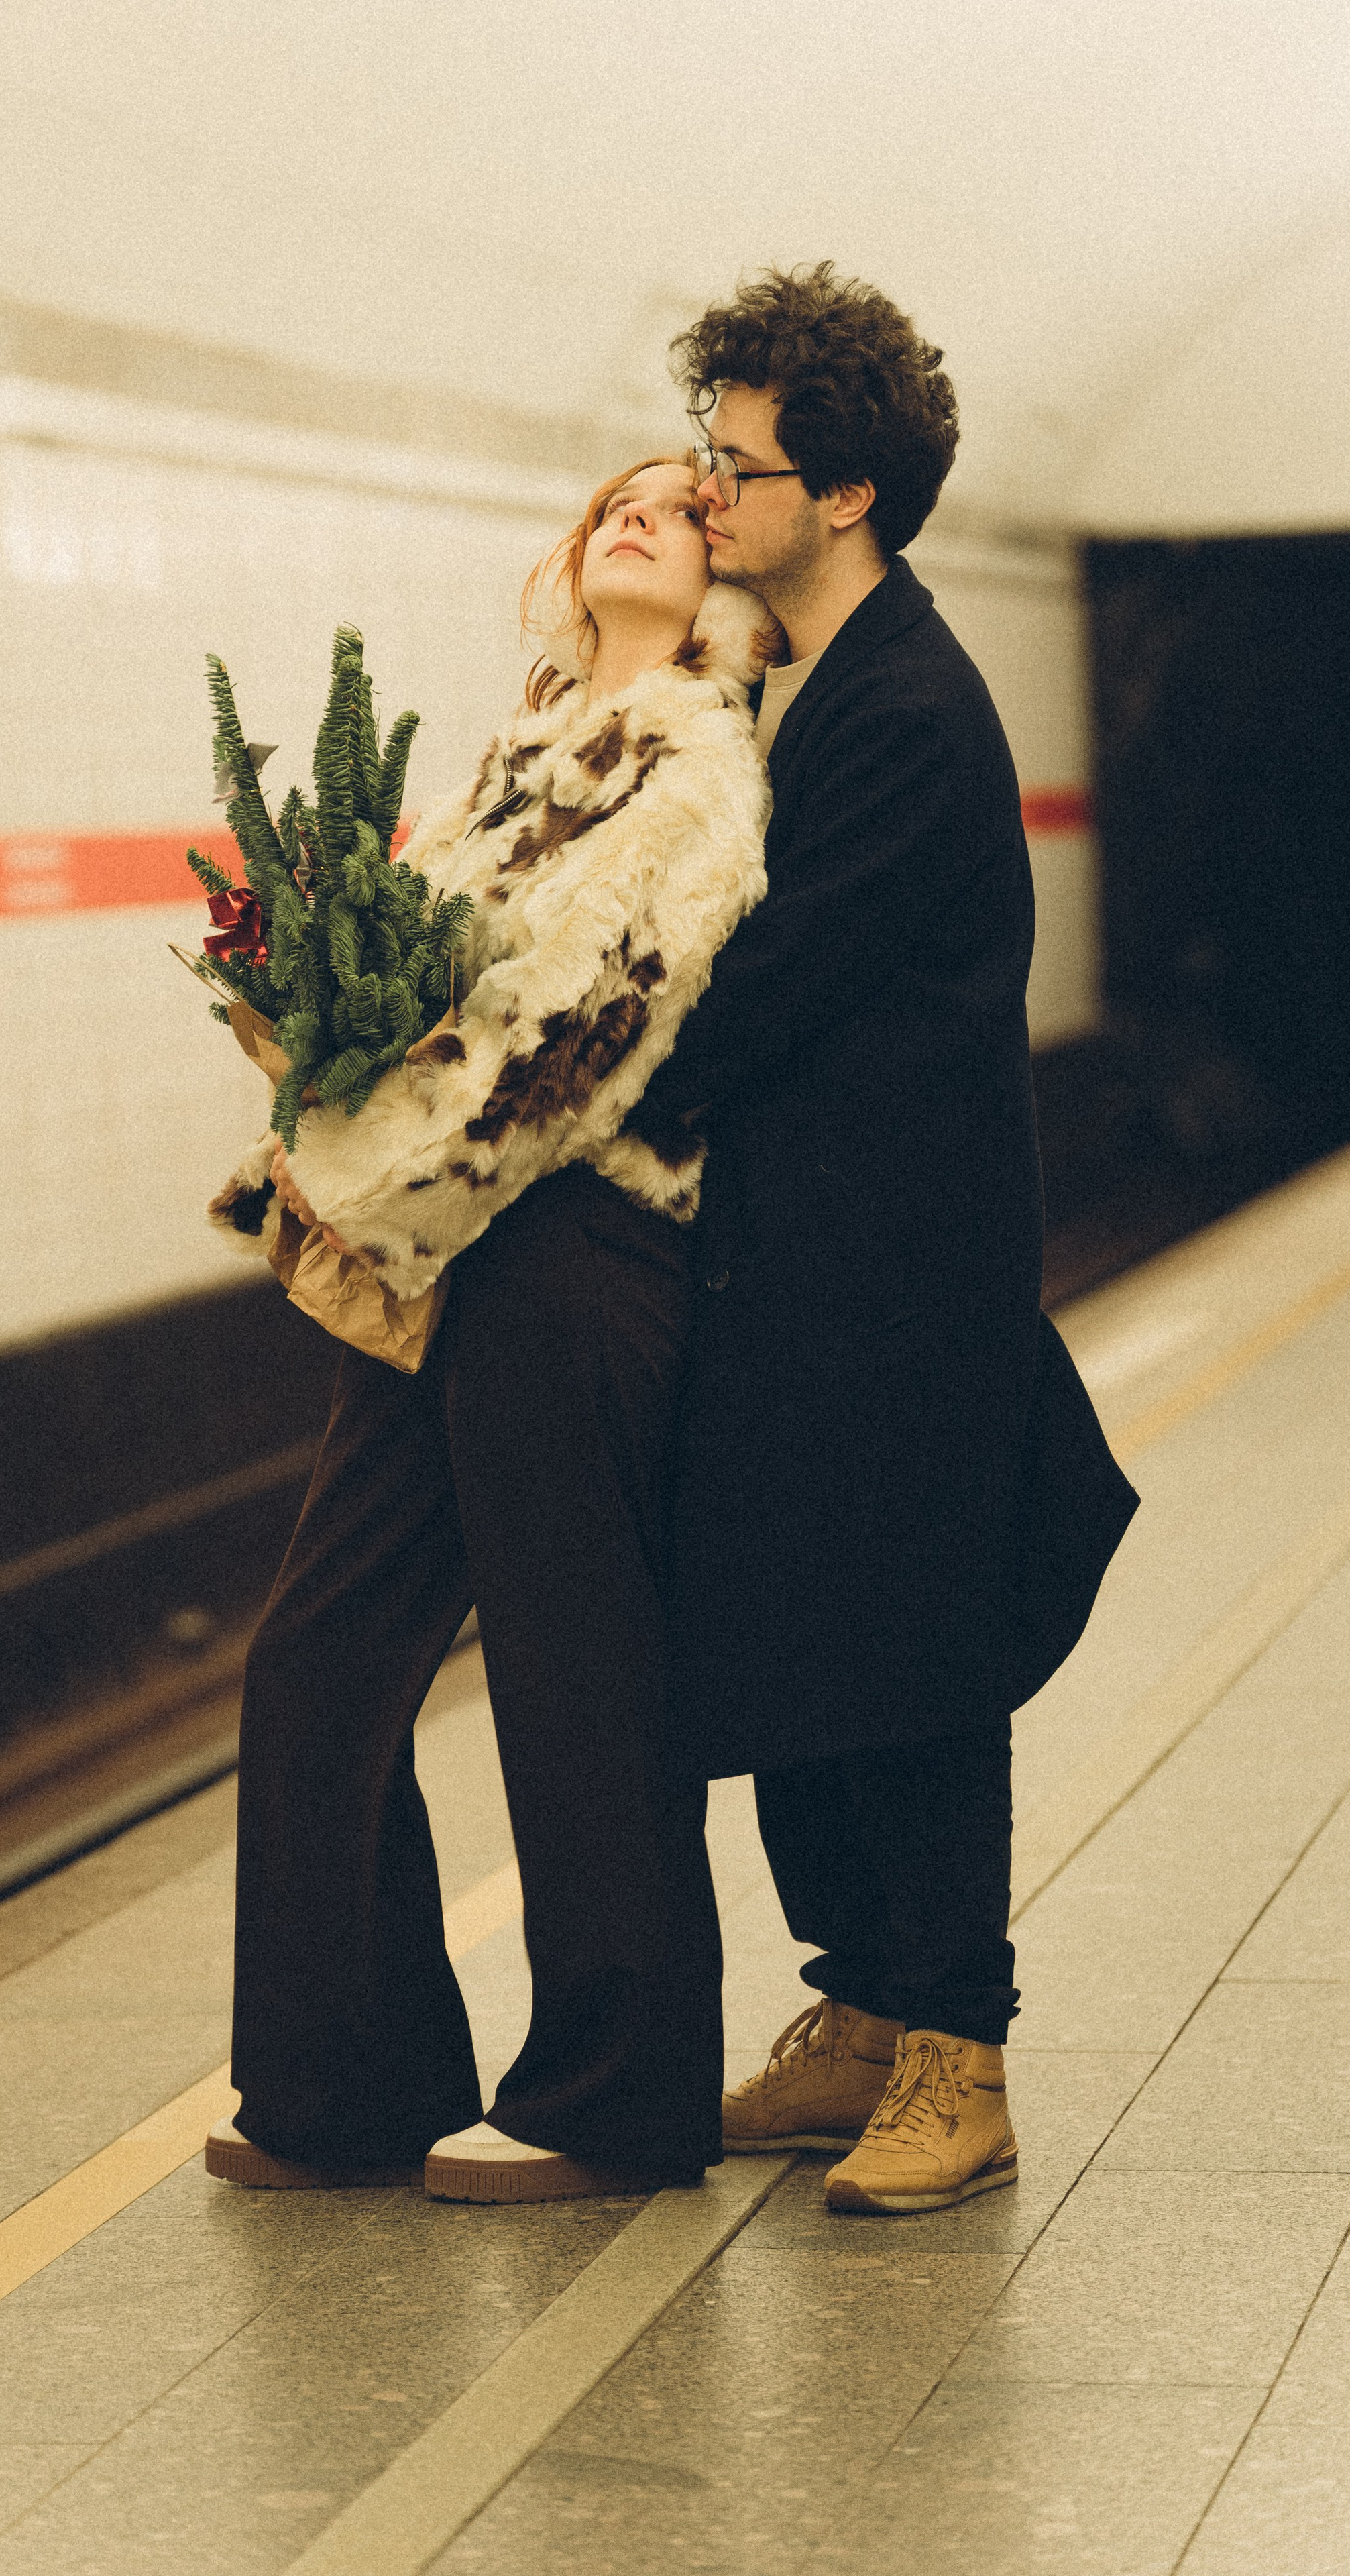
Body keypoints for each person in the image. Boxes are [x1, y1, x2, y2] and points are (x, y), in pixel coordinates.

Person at [202, 456, 772, 2202]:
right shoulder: (518, 762)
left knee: (575, 1677)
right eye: (621, 498)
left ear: (725, 576)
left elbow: (576, 1028)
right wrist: (306, 1094)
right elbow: (408, 997)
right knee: (313, 1662)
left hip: (573, 1249)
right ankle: (347, 2086)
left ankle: (620, 2104)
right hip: (447, 1255)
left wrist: (361, 1183)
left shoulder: (699, 765)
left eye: (684, 508)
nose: (642, 516)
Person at [644, 264, 1139, 2215]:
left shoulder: (911, 708)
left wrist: (572, 1055)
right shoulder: (814, 684)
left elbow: (764, 988)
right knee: (793, 1637)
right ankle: (857, 2018)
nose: (706, 492)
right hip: (797, 1269)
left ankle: (958, 2053)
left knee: (914, 1659)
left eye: (734, 462)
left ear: (841, 491)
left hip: (899, 1286)